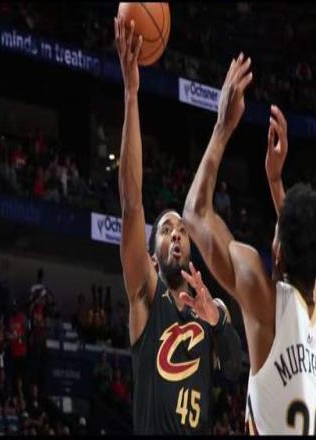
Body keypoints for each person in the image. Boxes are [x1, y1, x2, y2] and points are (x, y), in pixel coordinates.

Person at [182, 53, 316, 435]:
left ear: (278, 252)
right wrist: (275, 182)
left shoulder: (263, 298)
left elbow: (195, 213)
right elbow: (308, 261)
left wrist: (223, 126)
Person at [114, 16, 242, 435]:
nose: (177, 234)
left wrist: (217, 319)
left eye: (182, 230)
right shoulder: (147, 296)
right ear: (152, 255)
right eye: (167, 230)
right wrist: (131, 94)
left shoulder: (212, 308)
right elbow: (132, 204)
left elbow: (236, 369)